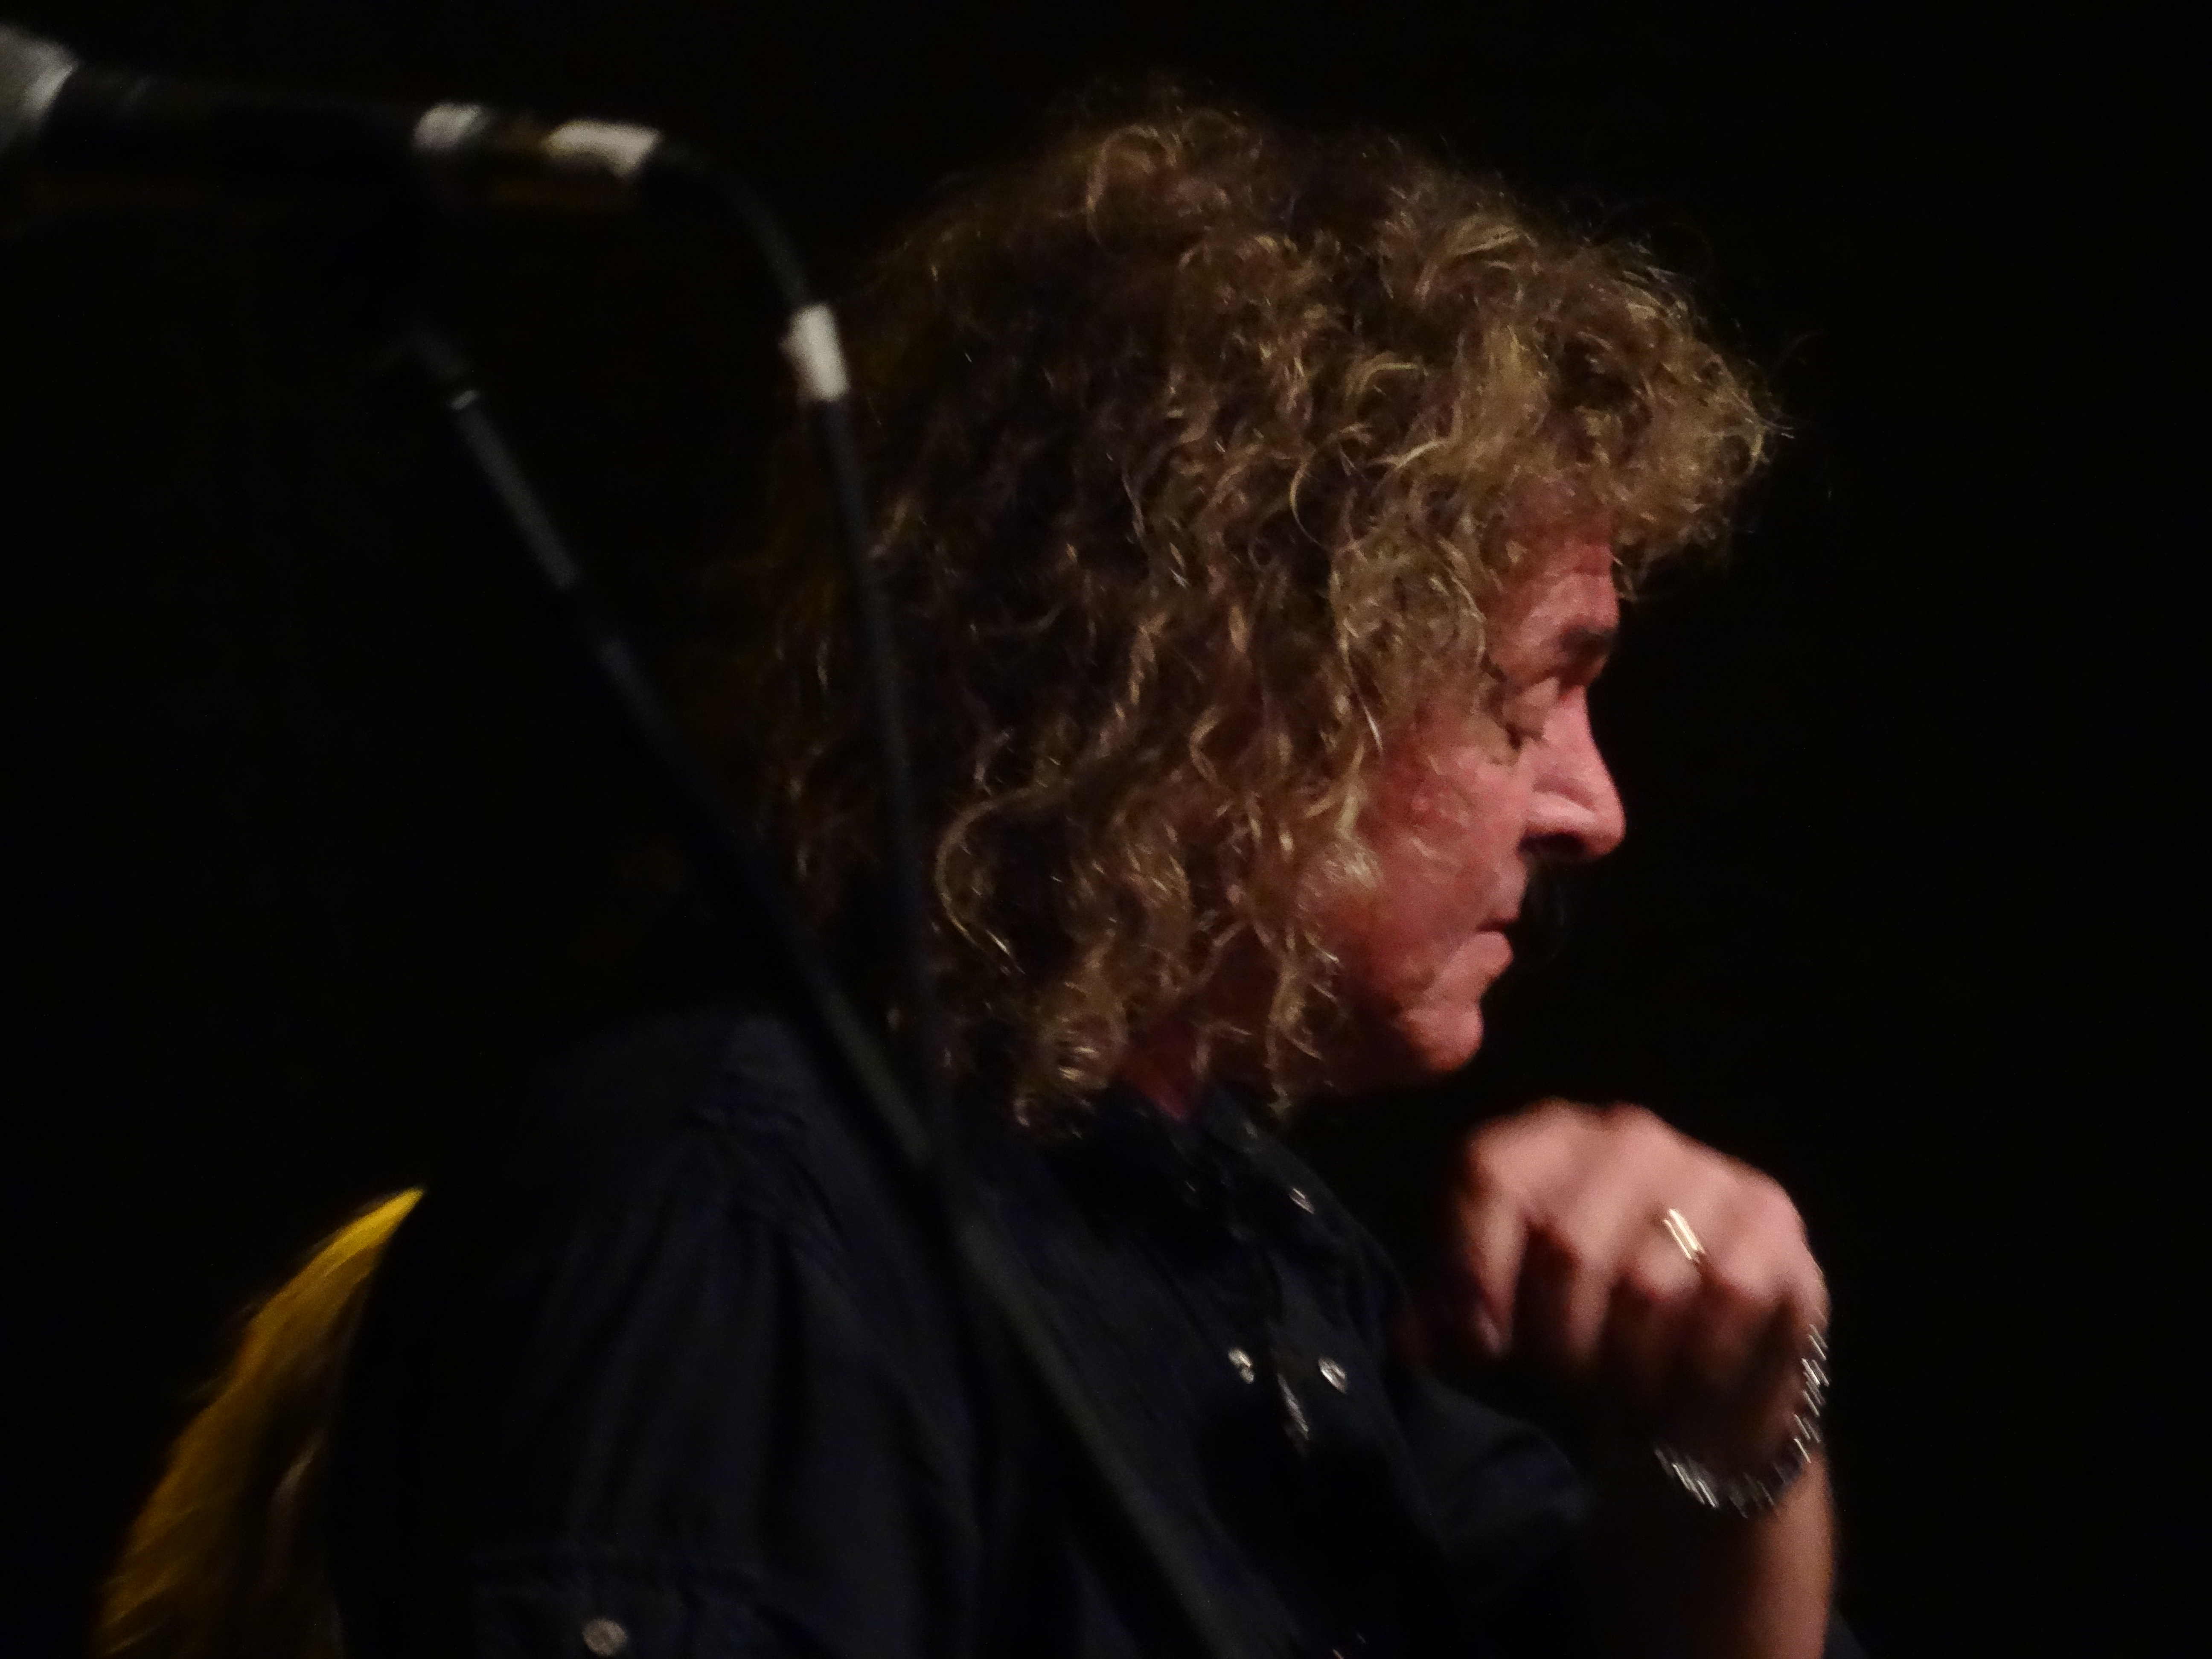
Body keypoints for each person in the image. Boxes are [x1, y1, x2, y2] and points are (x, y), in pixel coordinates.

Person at [111, 92, 1861, 1658]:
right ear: (1236, 675)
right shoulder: (735, 1219)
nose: (1592, 805)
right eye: (1529, 695)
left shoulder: (1236, 1243)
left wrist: (1732, 1421)